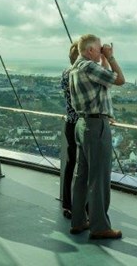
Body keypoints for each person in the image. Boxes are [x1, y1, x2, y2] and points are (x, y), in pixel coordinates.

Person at [68, 34, 125, 239]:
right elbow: (119, 79)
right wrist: (110, 58)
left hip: (82, 124)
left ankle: (79, 221)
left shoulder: (76, 67)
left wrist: (102, 61)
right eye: (99, 48)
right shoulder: (89, 67)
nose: (102, 50)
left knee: (82, 176)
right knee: (99, 178)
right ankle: (100, 226)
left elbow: (105, 82)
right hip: (96, 125)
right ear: (91, 50)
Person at [60, 41, 80, 219]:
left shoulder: (66, 72)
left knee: (70, 163)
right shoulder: (81, 73)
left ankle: (67, 203)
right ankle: (83, 206)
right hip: (82, 124)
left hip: (69, 122)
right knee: (84, 167)